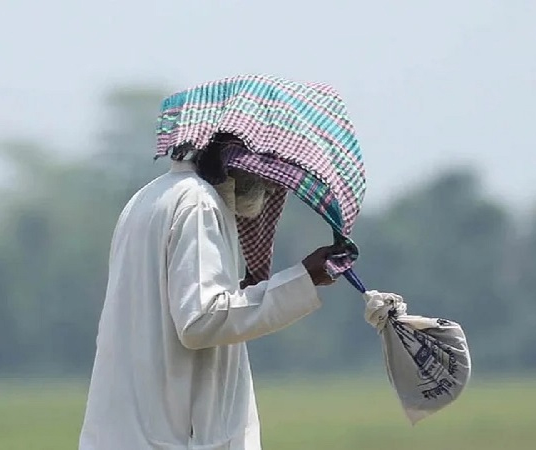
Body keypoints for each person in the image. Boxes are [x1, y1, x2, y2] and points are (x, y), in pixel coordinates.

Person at [78, 135, 340, 449]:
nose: (272, 183)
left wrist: (244, 295)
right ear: (232, 150)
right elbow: (200, 320)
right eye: (265, 161)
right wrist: (303, 279)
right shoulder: (198, 203)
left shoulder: (151, 196)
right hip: (173, 437)